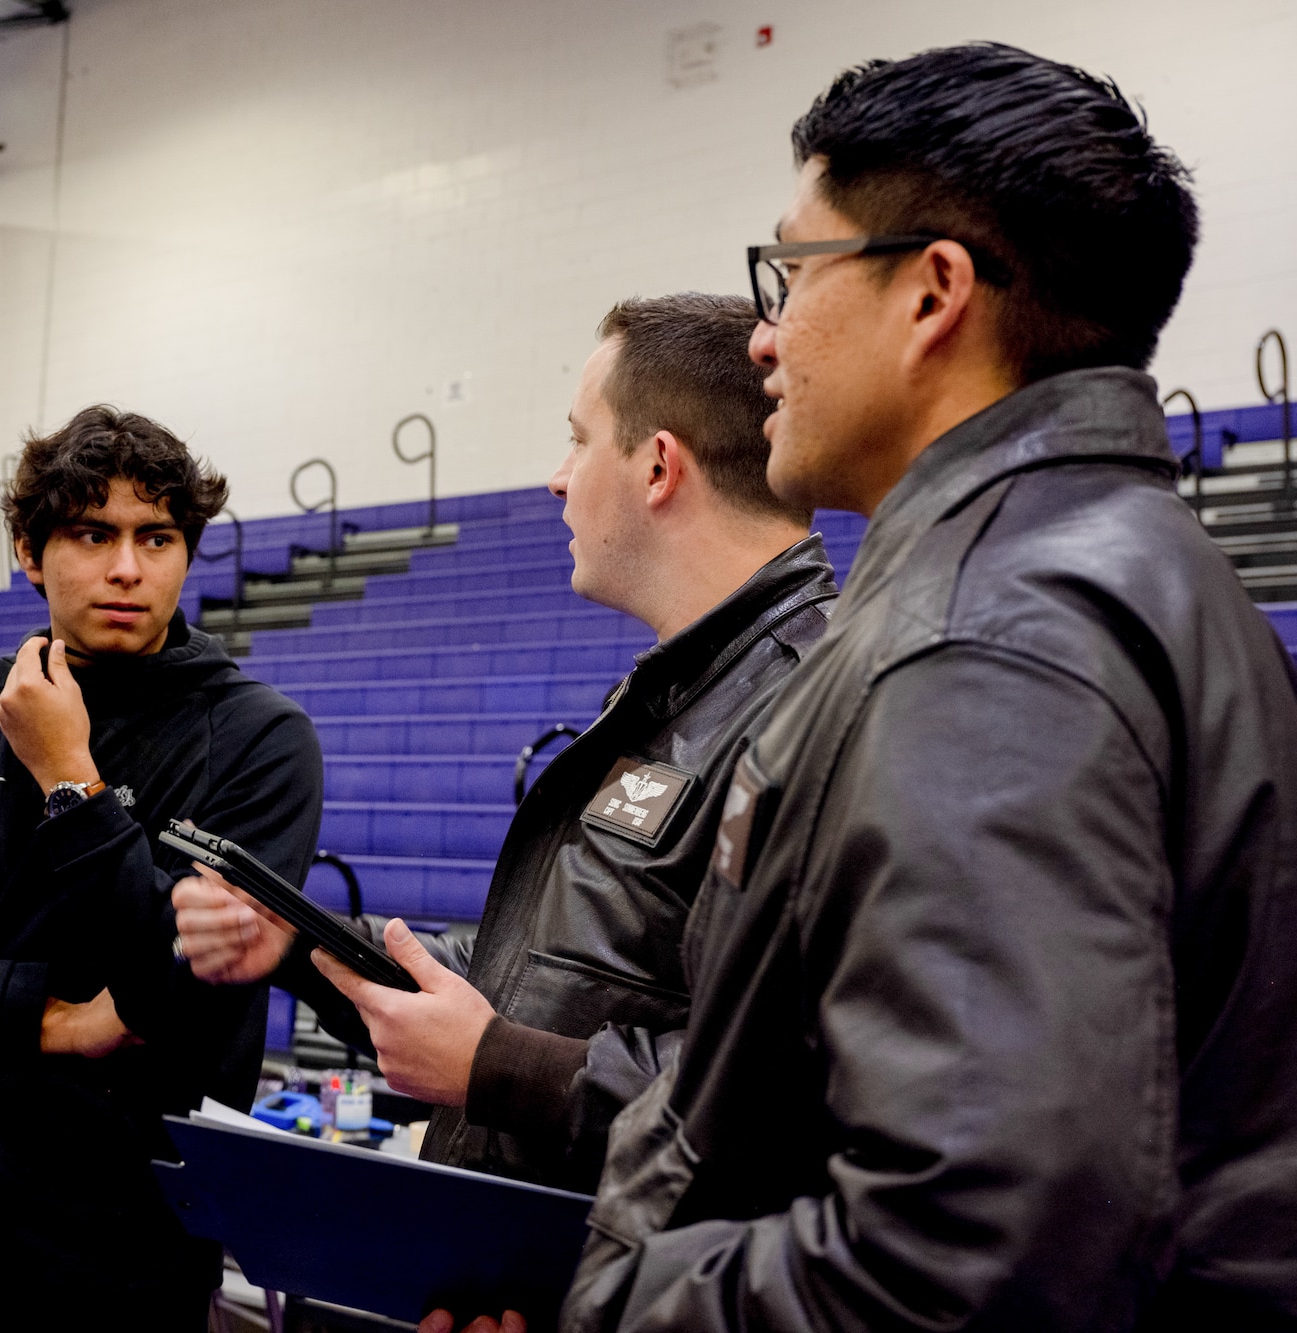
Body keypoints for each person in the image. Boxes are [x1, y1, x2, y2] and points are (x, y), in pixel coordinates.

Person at [553, 44, 1297, 1333]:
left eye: (789, 273)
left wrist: (634, 1304)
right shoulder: (1113, 572)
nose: (761, 334)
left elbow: (966, 1255)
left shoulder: (984, 645)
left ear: (931, 293)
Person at [174, 294, 836, 1195]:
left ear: (657, 467)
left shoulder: (813, 704)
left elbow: (799, 1097)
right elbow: (531, 989)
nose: (558, 478)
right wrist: (300, 942)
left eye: (577, 438)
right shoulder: (686, 687)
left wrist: (499, 1067)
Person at [0, 406, 325, 1329]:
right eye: (92, 534)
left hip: (119, 1263)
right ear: (29, 549)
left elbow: (181, 998)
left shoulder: (261, 739)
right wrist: (51, 1022)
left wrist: (72, 784)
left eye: (156, 536)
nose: (128, 568)